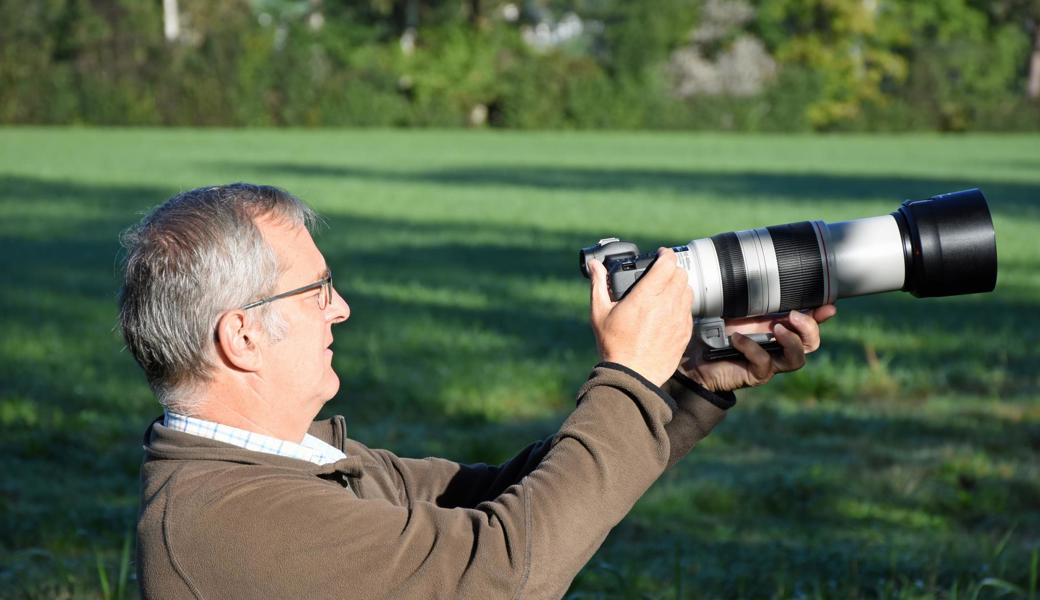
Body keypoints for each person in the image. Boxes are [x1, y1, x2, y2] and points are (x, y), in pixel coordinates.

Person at [121, 183, 834, 599]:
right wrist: (625, 375)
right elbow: (506, 568)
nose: (340, 308)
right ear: (240, 336)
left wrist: (688, 384)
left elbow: (513, 496)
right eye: (318, 290)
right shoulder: (233, 520)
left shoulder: (287, 467)